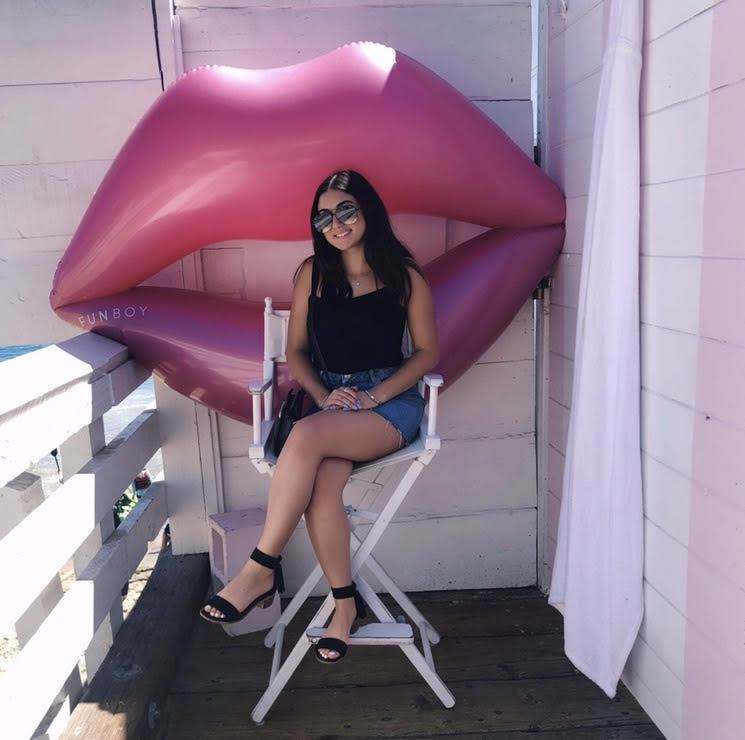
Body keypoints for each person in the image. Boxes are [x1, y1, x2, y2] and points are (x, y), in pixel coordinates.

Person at [199, 169, 440, 664]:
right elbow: (298, 351)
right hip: (331, 402)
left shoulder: (405, 276)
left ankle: (260, 570)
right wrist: (327, 394)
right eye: (324, 216)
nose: (337, 223)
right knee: (323, 488)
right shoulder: (312, 273)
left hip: (388, 403)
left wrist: (372, 396)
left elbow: (426, 353)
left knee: (306, 438)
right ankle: (345, 609)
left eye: (346, 210)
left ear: (367, 210)